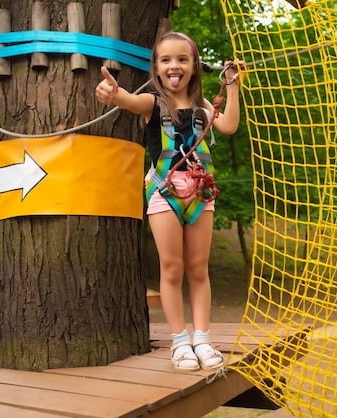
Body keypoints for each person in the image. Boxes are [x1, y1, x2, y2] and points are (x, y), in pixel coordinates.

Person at [96, 31, 241, 371]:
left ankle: (202, 339)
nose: (174, 65)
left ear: (193, 67)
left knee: (198, 269)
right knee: (172, 268)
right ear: (157, 69)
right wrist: (110, 92)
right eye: (165, 60)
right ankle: (180, 342)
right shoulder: (152, 103)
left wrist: (232, 86)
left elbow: (230, 125)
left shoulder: (204, 108)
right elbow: (126, 100)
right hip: (164, 193)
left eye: (182, 59)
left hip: (201, 192)